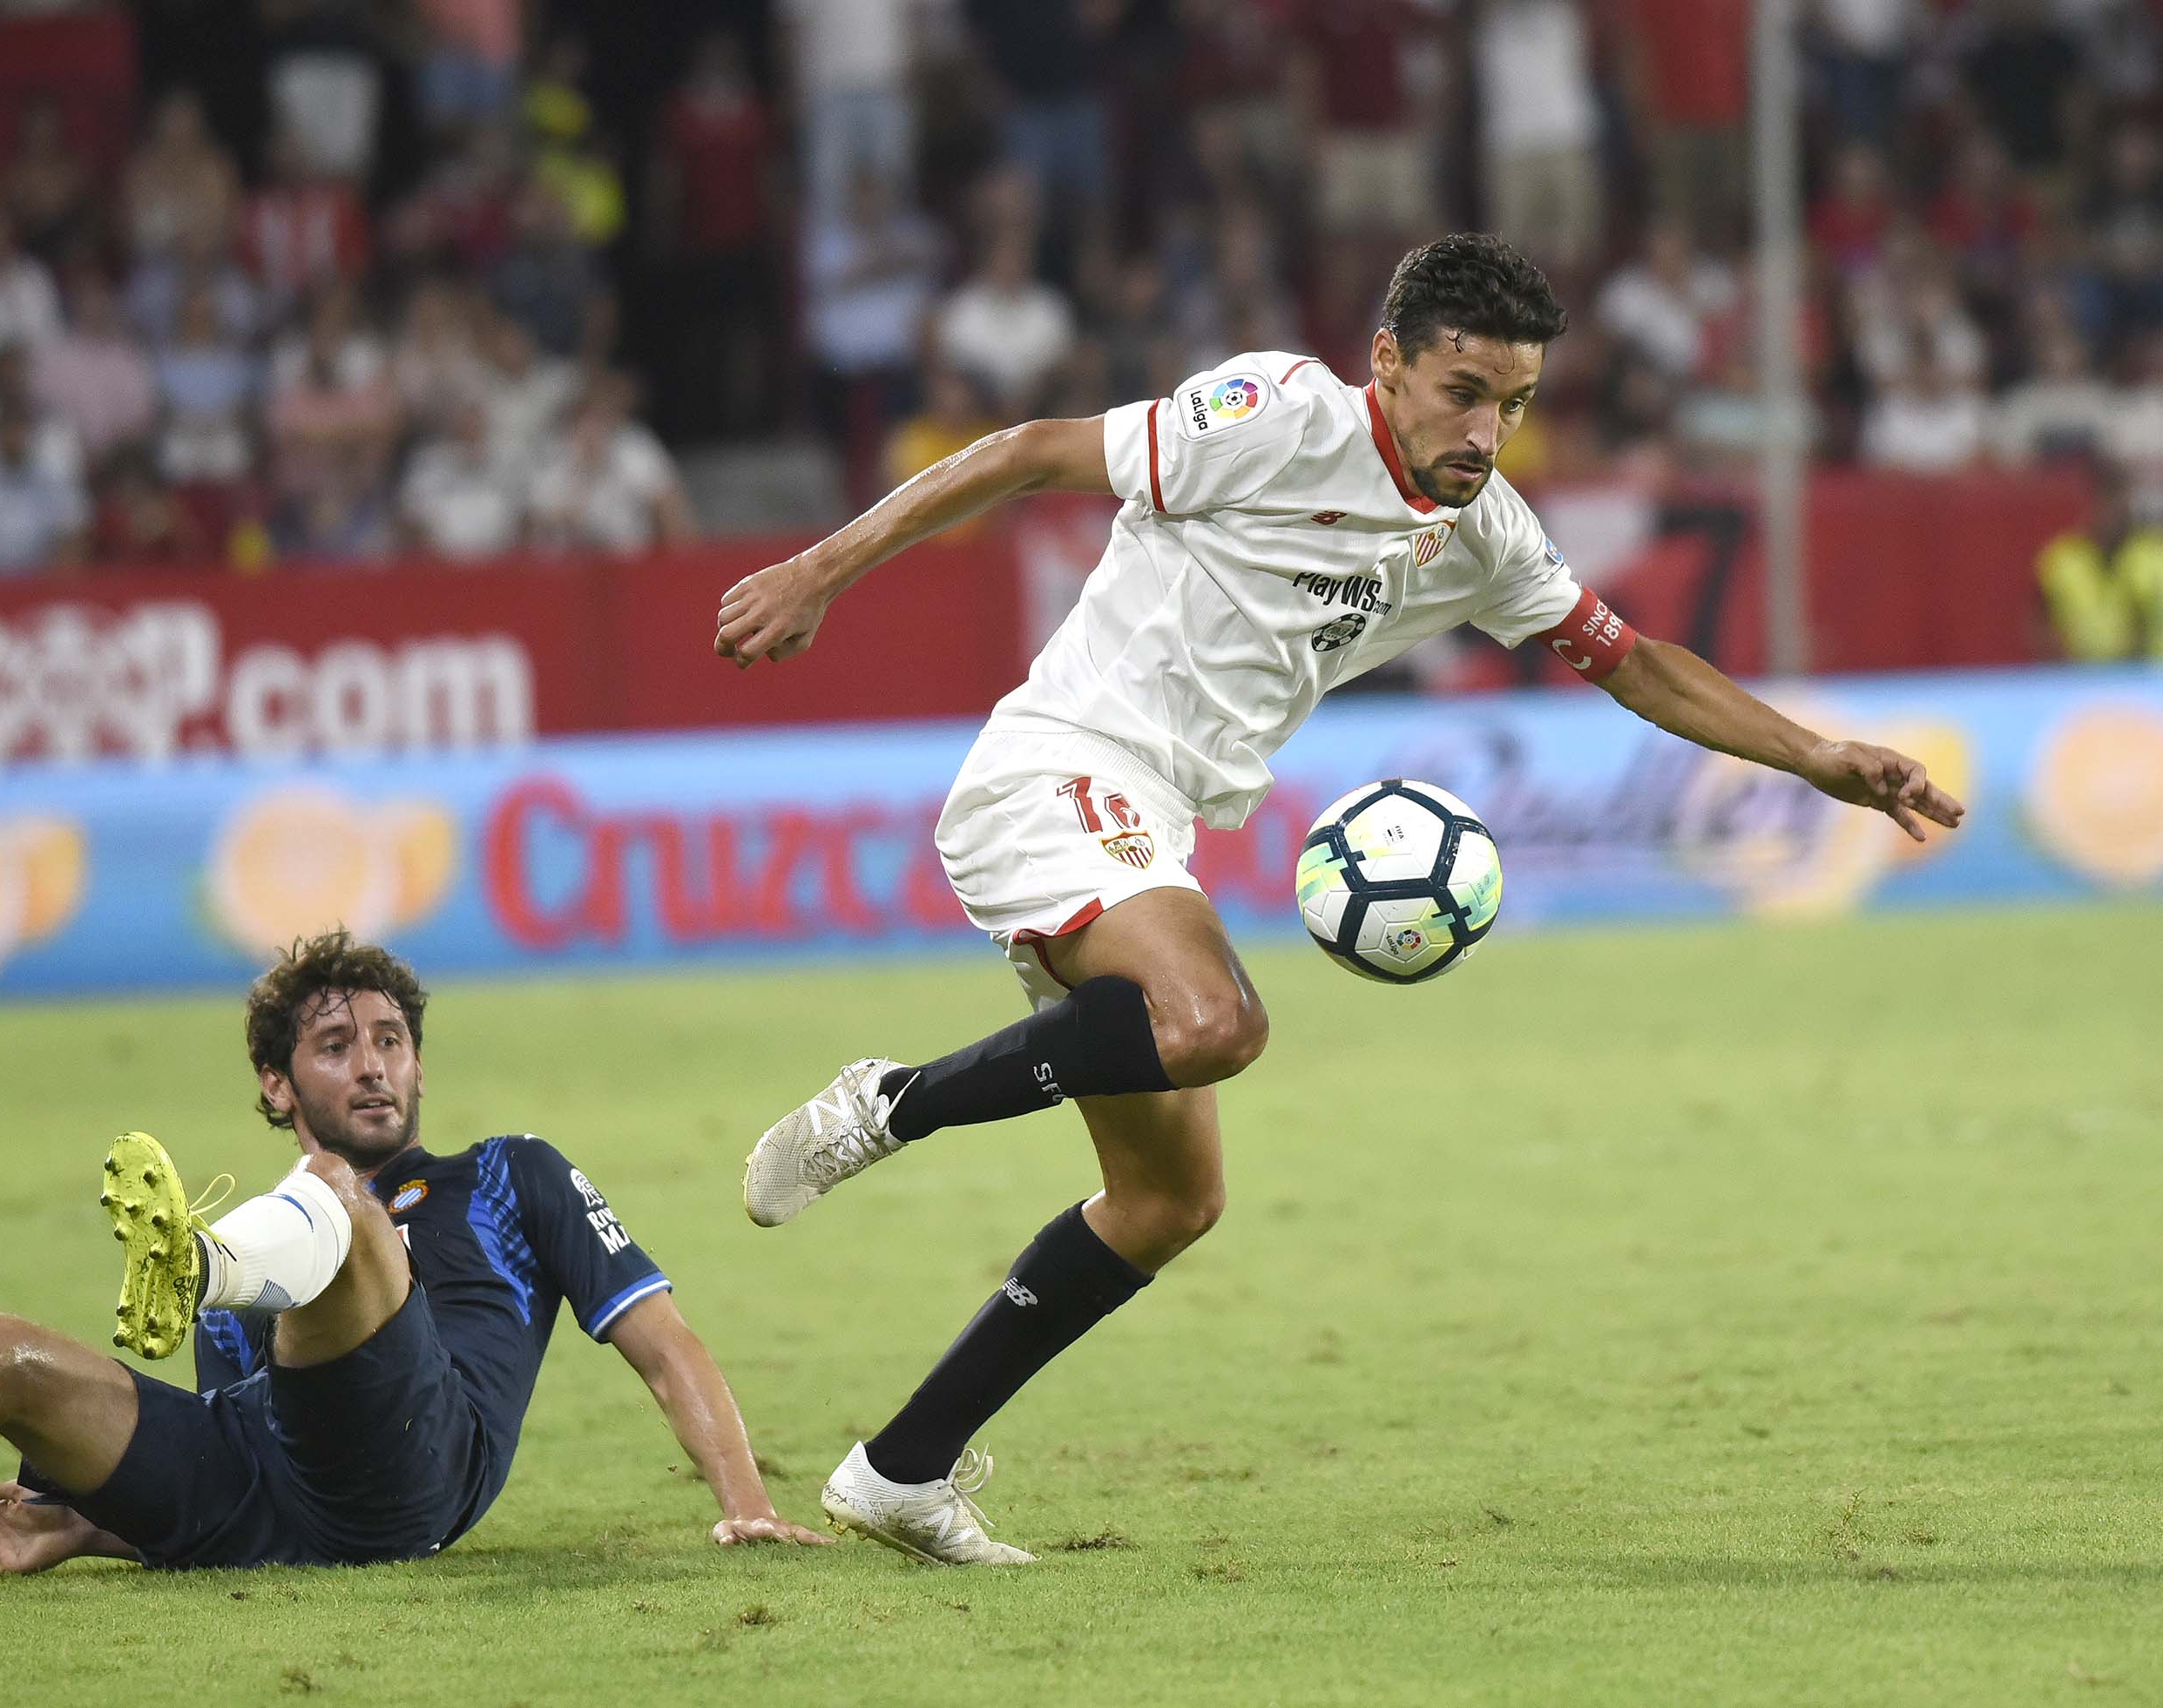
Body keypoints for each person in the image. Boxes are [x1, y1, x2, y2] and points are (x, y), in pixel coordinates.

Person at [711, 233, 1965, 1566]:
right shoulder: (1271, 418)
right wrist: (817, 570)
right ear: (1388, 362)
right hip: (1063, 766)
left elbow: (1630, 658)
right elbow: (1025, 448)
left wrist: (1817, 752)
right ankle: (889, 1104)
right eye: (1464, 391)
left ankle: (898, 1472)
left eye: (1518, 404)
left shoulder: (1479, 530)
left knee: (1166, 1202)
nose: (1489, 431)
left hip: (1153, 826)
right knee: (1213, 1019)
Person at [0, 932, 826, 1577]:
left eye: (392, 1041)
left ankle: (190, 1263)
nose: (373, 1065)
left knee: (337, 1206)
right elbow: (257, 1452)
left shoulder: (509, 1174)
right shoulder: (289, 1228)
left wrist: (747, 1504)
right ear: (277, 1080)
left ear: (418, 1064)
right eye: (335, 1044)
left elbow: (662, 1342)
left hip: (420, 1468)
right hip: (268, 1491)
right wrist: (92, 1522)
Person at [2036, 462, 2163, 662]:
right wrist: (2060, 665)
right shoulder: (2063, 558)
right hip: (2079, 678)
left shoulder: (2151, 556)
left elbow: (2145, 623)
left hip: (2146, 678)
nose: (2112, 512)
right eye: (2105, 500)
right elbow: (2039, 619)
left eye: (2118, 501)